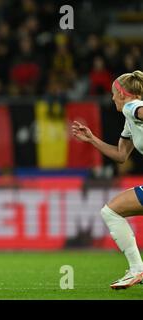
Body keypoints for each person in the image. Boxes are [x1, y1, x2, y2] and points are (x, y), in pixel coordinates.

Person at [72, 70, 143, 289]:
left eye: (114, 93)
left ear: (122, 93)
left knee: (110, 211)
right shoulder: (130, 120)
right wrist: (92, 139)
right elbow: (121, 156)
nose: (112, 97)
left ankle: (137, 270)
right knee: (111, 210)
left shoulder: (132, 107)